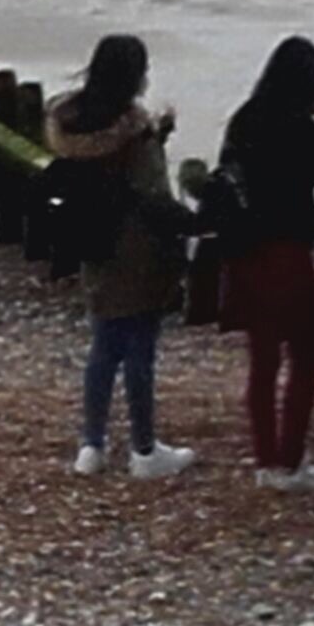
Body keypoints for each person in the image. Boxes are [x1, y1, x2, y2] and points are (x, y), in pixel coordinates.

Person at [45, 35, 196, 480]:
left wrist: (156, 135)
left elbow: (104, 172)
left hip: (93, 242)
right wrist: (192, 225)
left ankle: (91, 445)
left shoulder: (72, 121)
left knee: (104, 345)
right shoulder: (133, 126)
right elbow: (149, 193)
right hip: (138, 247)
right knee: (139, 349)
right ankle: (144, 450)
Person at [219, 36, 314, 491]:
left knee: (262, 361)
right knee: (308, 354)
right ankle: (291, 460)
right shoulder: (303, 130)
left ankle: (266, 462)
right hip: (286, 252)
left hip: (244, 252)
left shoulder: (244, 120)